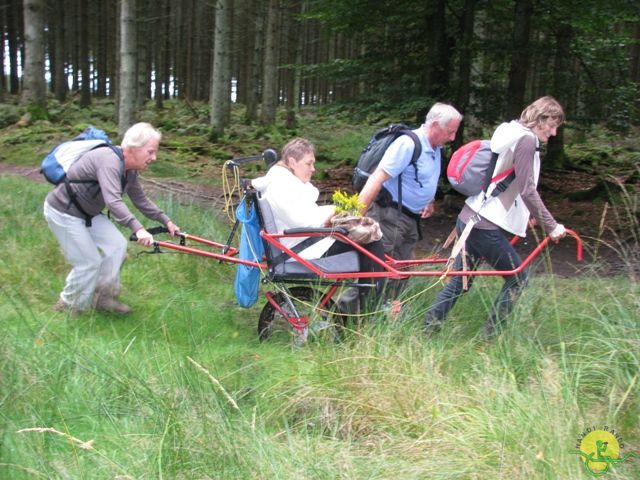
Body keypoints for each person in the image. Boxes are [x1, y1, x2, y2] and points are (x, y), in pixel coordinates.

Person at [424, 96, 568, 337]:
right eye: (552, 125)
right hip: (483, 227)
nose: (554, 133)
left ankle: (428, 330)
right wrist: (551, 226)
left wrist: (528, 216)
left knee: (461, 282)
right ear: (540, 120)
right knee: (518, 278)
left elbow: (509, 182)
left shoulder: (512, 132)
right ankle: (489, 337)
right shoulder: (526, 140)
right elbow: (527, 188)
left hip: (471, 217)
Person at [44, 122, 180, 314]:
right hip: (63, 211)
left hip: (87, 212)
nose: (154, 158)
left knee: (117, 245)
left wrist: (166, 221)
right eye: (150, 152)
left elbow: (140, 199)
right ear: (134, 148)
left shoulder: (129, 170)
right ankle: (67, 306)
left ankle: (102, 298)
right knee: (88, 262)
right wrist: (138, 228)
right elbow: (113, 201)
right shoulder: (109, 160)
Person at [251, 137, 386, 309]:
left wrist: (335, 212)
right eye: (309, 164)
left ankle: (370, 305)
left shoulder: (284, 182)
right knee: (371, 242)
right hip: (302, 249)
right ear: (292, 162)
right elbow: (301, 221)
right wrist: (332, 216)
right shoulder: (280, 185)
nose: (313, 169)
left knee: (368, 239)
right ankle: (373, 309)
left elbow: (305, 215)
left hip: (306, 243)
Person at [358, 102, 463, 294]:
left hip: (410, 220)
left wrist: (428, 201)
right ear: (435, 125)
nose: (453, 137)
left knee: (402, 271)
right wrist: (356, 216)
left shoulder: (436, 148)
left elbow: (423, 177)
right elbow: (377, 177)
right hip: (388, 216)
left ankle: (388, 311)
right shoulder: (408, 144)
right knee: (377, 271)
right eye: (450, 131)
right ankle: (343, 315)